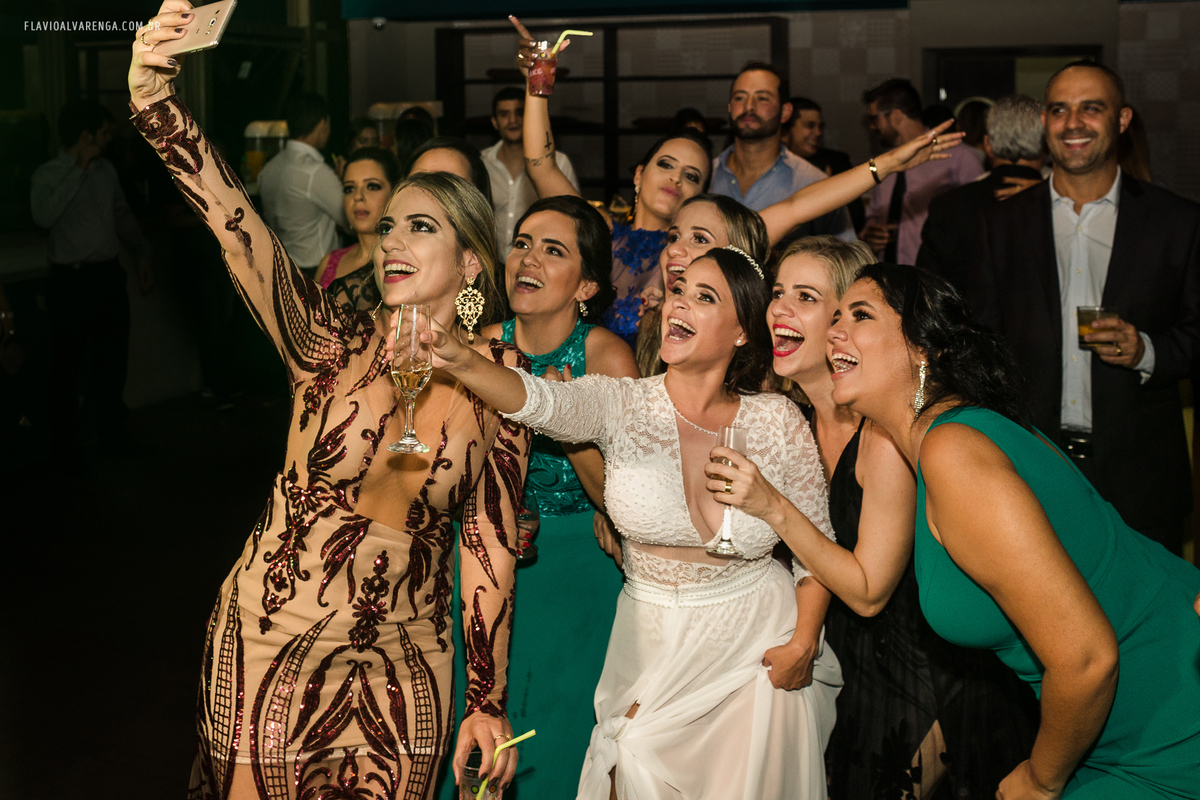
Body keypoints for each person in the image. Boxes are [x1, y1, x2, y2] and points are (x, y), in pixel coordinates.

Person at [132, 7, 528, 797]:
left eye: (421, 227)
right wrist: (154, 99)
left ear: (472, 264)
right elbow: (236, 226)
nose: (393, 242)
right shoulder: (326, 343)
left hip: (407, 659)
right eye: (390, 226)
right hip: (271, 635)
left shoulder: (501, 380)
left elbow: (489, 540)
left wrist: (486, 699)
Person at [425, 244, 842, 799]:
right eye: (677, 291)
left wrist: (803, 643)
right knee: (629, 766)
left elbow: (817, 547)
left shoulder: (778, 419)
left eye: (705, 297)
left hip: (755, 649)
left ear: (742, 331)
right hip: (649, 646)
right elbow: (537, 400)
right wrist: (461, 359)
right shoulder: (621, 403)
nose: (679, 304)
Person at [763, 238, 1037, 798]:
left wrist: (770, 505)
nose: (780, 309)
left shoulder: (885, 435)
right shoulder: (788, 421)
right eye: (778, 292)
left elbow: (869, 592)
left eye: (807, 298)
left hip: (920, 682)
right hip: (847, 665)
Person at [436, 196, 640, 800]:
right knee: (473, 719)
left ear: (587, 285)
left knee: (556, 731)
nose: (528, 259)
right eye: (522, 243)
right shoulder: (477, 348)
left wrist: (564, 422)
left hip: (578, 571)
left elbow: (627, 499)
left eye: (553, 250)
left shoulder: (605, 356)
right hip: (483, 562)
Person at [972, 61, 1200, 554]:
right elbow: (982, 342)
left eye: (1091, 108)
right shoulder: (1002, 225)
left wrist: (1146, 351)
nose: (1073, 123)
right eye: (1059, 110)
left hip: (1140, 474)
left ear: (1122, 120)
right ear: (1044, 123)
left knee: (1150, 604)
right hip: (1033, 470)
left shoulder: (1177, 223)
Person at [31, 98, 153, 445]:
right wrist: (79, 168)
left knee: (112, 361)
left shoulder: (106, 171)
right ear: (86, 136)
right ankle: (66, 446)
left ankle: (114, 436)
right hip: (70, 281)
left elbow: (122, 216)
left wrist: (143, 254)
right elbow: (44, 216)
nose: (109, 139)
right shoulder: (47, 174)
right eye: (104, 133)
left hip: (107, 277)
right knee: (66, 366)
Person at [328, 138, 496, 317]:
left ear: (471, 260)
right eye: (386, 228)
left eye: (420, 226)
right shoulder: (339, 325)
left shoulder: (504, 316)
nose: (388, 242)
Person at [917, 94, 1046, 297]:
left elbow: (927, 289)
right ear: (1047, 144)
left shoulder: (947, 207)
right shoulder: (1060, 203)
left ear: (988, 144)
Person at [712, 64, 854, 244]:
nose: (748, 106)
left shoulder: (812, 182)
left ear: (785, 112)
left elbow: (846, 254)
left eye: (762, 98)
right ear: (730, 107)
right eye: (739, 98)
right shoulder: (706, 176)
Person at [634, 194, 770, 378]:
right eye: (673, 237)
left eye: (700, 239)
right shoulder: (650, 323)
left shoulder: (766, 384)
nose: (673, 249)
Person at [861, 78, 984, 265]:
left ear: (896, 116)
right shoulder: (883, 164)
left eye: (874, 118)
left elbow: (981, 216)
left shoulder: (958, 157)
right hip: (887, 273)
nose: (871, 126)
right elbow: (874, 215)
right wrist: (871, 234)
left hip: (935, 273)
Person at [482, 86, 580, 255]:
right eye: (504, 114)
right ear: (494, 122)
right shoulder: (482, 162)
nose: (512, 120)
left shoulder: (558, 163)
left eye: (520, 113)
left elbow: (575, 219)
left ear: (530, 116)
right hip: (491, 263)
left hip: (539, 261)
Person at [257, 91, 347, 275]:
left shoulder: (269, 169)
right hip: (317, 269)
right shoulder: (315, 172)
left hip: (283, 267)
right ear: (322, 123)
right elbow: (349, 219)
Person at [316, 146, 400, 313]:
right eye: (349, 188)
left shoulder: (404, 262)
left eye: (372, 186)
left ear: (395, 193)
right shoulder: (330, 262)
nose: (358, 196)